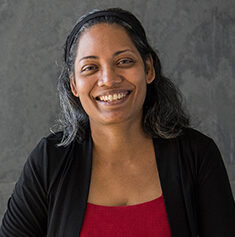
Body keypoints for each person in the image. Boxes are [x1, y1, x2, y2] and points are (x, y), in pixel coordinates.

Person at [1, 7, 235, 237]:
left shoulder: (197, 154)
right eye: (90, 67)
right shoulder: (49, 161)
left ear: (149, 69)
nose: (108, 79)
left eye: (124, 61)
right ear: (74, 85)